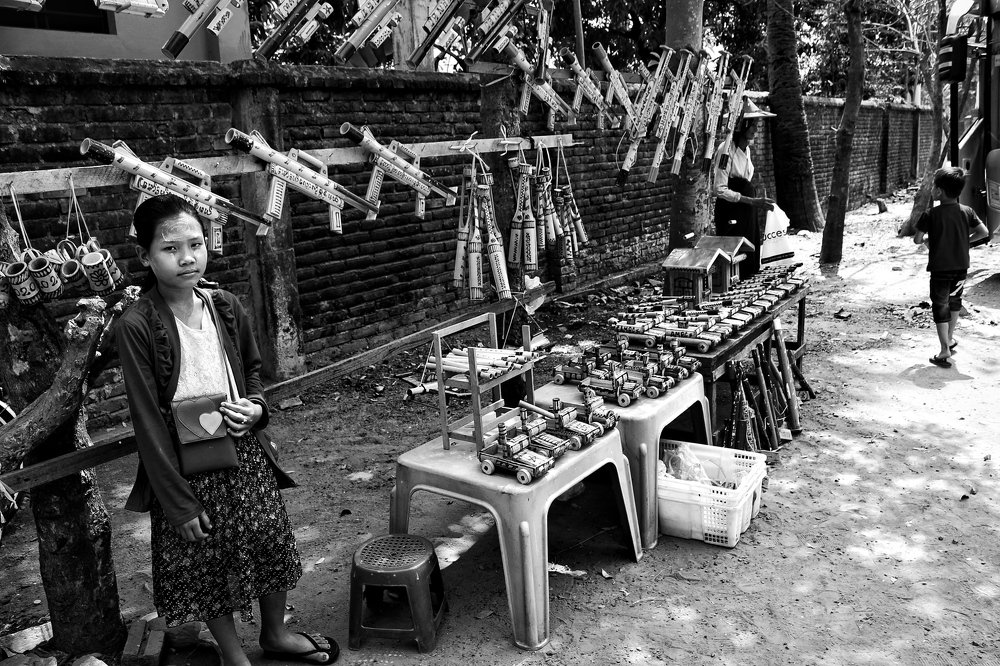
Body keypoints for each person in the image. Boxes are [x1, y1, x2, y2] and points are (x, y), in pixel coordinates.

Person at [116, 194, 338, 665]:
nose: (187, 257)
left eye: (195, 244)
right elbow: (147, 420)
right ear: (145, 257)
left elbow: (254, 374)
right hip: (186, 466)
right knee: (210, 562)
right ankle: (235, 656)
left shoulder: (226, 306)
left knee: (268, 540)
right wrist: (177, 502)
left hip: (245, 453)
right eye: (170, 249)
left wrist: (256, 409)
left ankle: (274, 635)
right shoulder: (136, 324)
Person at [913, 167, 990, 368]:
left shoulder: (930, 214)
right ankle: (949, 338)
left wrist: (930, 240)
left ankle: (944, 349)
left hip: (940, 269)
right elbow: (984, 232)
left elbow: (917, 239)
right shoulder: (967, 211)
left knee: (940, 305)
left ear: (939, 191)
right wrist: (966, 242)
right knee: (955, 302)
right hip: (961, 267)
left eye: (933, 187)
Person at [712, 100, 776, 279]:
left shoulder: (746, 150)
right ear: (743, 125)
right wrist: (751, 200)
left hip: (747, 210)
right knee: (735, 254)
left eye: (757, 125)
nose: (756, 129)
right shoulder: (725, 151)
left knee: (750, 247)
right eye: (753, 126)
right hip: (731, 210)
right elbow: (720, 189)